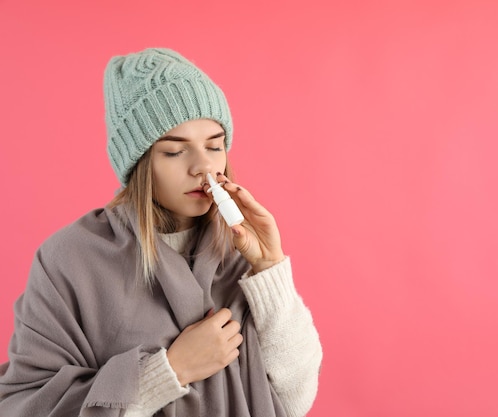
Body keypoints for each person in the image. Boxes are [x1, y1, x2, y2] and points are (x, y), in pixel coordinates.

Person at [0, 47, 322, 417]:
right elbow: (26, 405)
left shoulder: (239, 250)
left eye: (215, 146)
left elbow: (296, 399)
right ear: (138, 163)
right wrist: (170, 370)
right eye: (174, 152)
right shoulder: (70, 260)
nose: (203, 166)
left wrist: (269, 268)